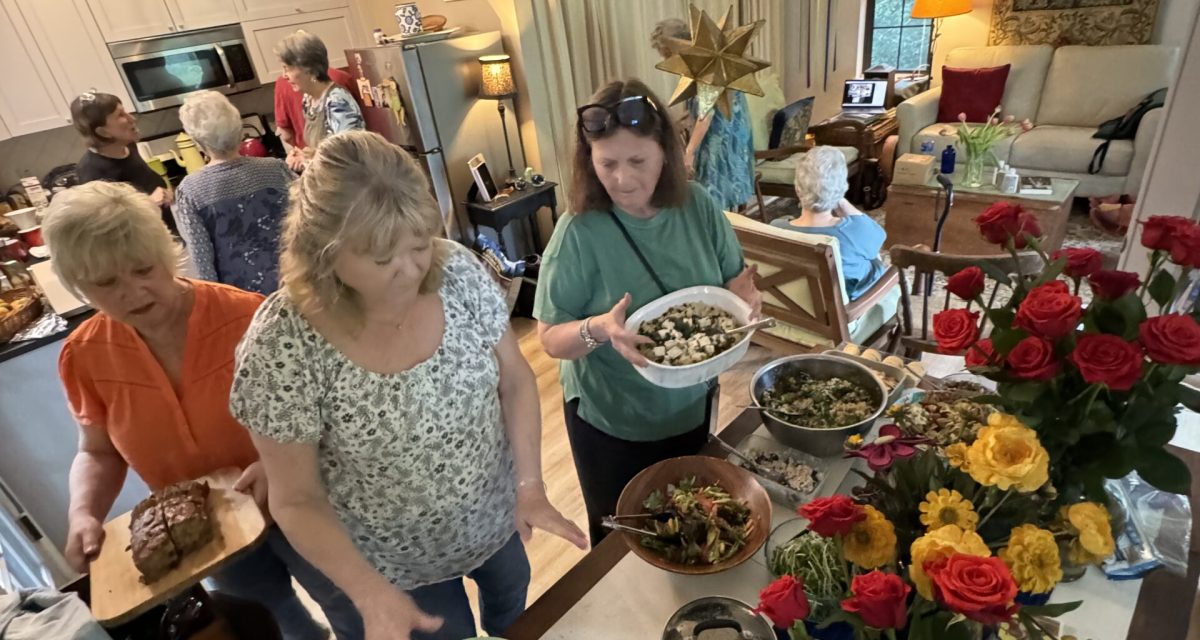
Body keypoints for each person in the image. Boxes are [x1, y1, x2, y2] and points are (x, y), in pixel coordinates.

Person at [229, 131, 587, 640]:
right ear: (322, 253)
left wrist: (530, 485)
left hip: (497, 515)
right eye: (381, 259)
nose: (411, 269)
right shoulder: (283, 343)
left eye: (419, 243)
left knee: (515, 614)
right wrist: (370, 593)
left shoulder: (457, 269)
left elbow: (515, 380)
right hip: (394, 565)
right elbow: (296, 499)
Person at [45, 181, 363, 640]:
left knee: (342, 595)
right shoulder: (84, 356)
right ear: (78, 286)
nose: (133, 292)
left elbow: (328, 410)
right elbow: (98, 451)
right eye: (106, 283)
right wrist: (83, 512)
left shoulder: (247, 317)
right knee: (266, 613)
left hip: (297, 497)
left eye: (143, 269)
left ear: (167, 251)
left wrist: (278, 465)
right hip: (210, 532)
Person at [533, 79, 762, 545]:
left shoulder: (698, 205)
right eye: (607, 164)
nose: (622, 179)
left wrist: (746, 297)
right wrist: (601, 329)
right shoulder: (577, 232)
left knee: (690, 528)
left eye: (637, 160)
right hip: (612, 425)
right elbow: (550, 337)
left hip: (691, 408)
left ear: (666, 152)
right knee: (624, 542)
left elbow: (735, 279)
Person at [176, 91, 294, 295]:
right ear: (239, 131)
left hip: (244, 300)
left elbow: (202, 261)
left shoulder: (191, 190)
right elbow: (310, 220)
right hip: (297, 282)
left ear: (198, 143)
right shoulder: (276, 169)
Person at [651, 19, 755, 211]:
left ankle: (720, 231)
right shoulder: (711, 56)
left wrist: (688, 152)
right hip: (735, 133)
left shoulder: (700, 67)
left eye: (666, 54)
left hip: (719, 139)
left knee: (713, 199)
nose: (666, 60)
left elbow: (704, 118)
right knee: (727, 196)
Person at [772, 146, 887, 300]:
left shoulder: (776, 229)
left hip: (798, 304)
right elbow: (878, 241)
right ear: (842, 189)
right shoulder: (856, 231)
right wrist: (837, 198)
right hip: (849, 311)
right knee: (874, 259)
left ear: (798, 189)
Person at [69, 91, 177, 233]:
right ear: (103, 132)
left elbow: (146, 186)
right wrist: (150, 203)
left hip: (167, 232)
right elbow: (108, 227)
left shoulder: (128, 146)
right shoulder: (91, 172)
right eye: (120, 115)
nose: (132, 118)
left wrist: (167, 194)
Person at [276, 30, 365, 171]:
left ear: (310, 70)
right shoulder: (309, 99)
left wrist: (306, 162)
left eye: (288, 69)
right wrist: (305, 154)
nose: (284, 76)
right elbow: (321, 150)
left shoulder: (337, 101)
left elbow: (348, 158)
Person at [274, 66, 359, 151]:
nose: (284, 75)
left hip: (329, 158)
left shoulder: (336, 97)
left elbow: (286, 134)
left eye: (286, 67)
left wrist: (301, 153)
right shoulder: (341, 77)